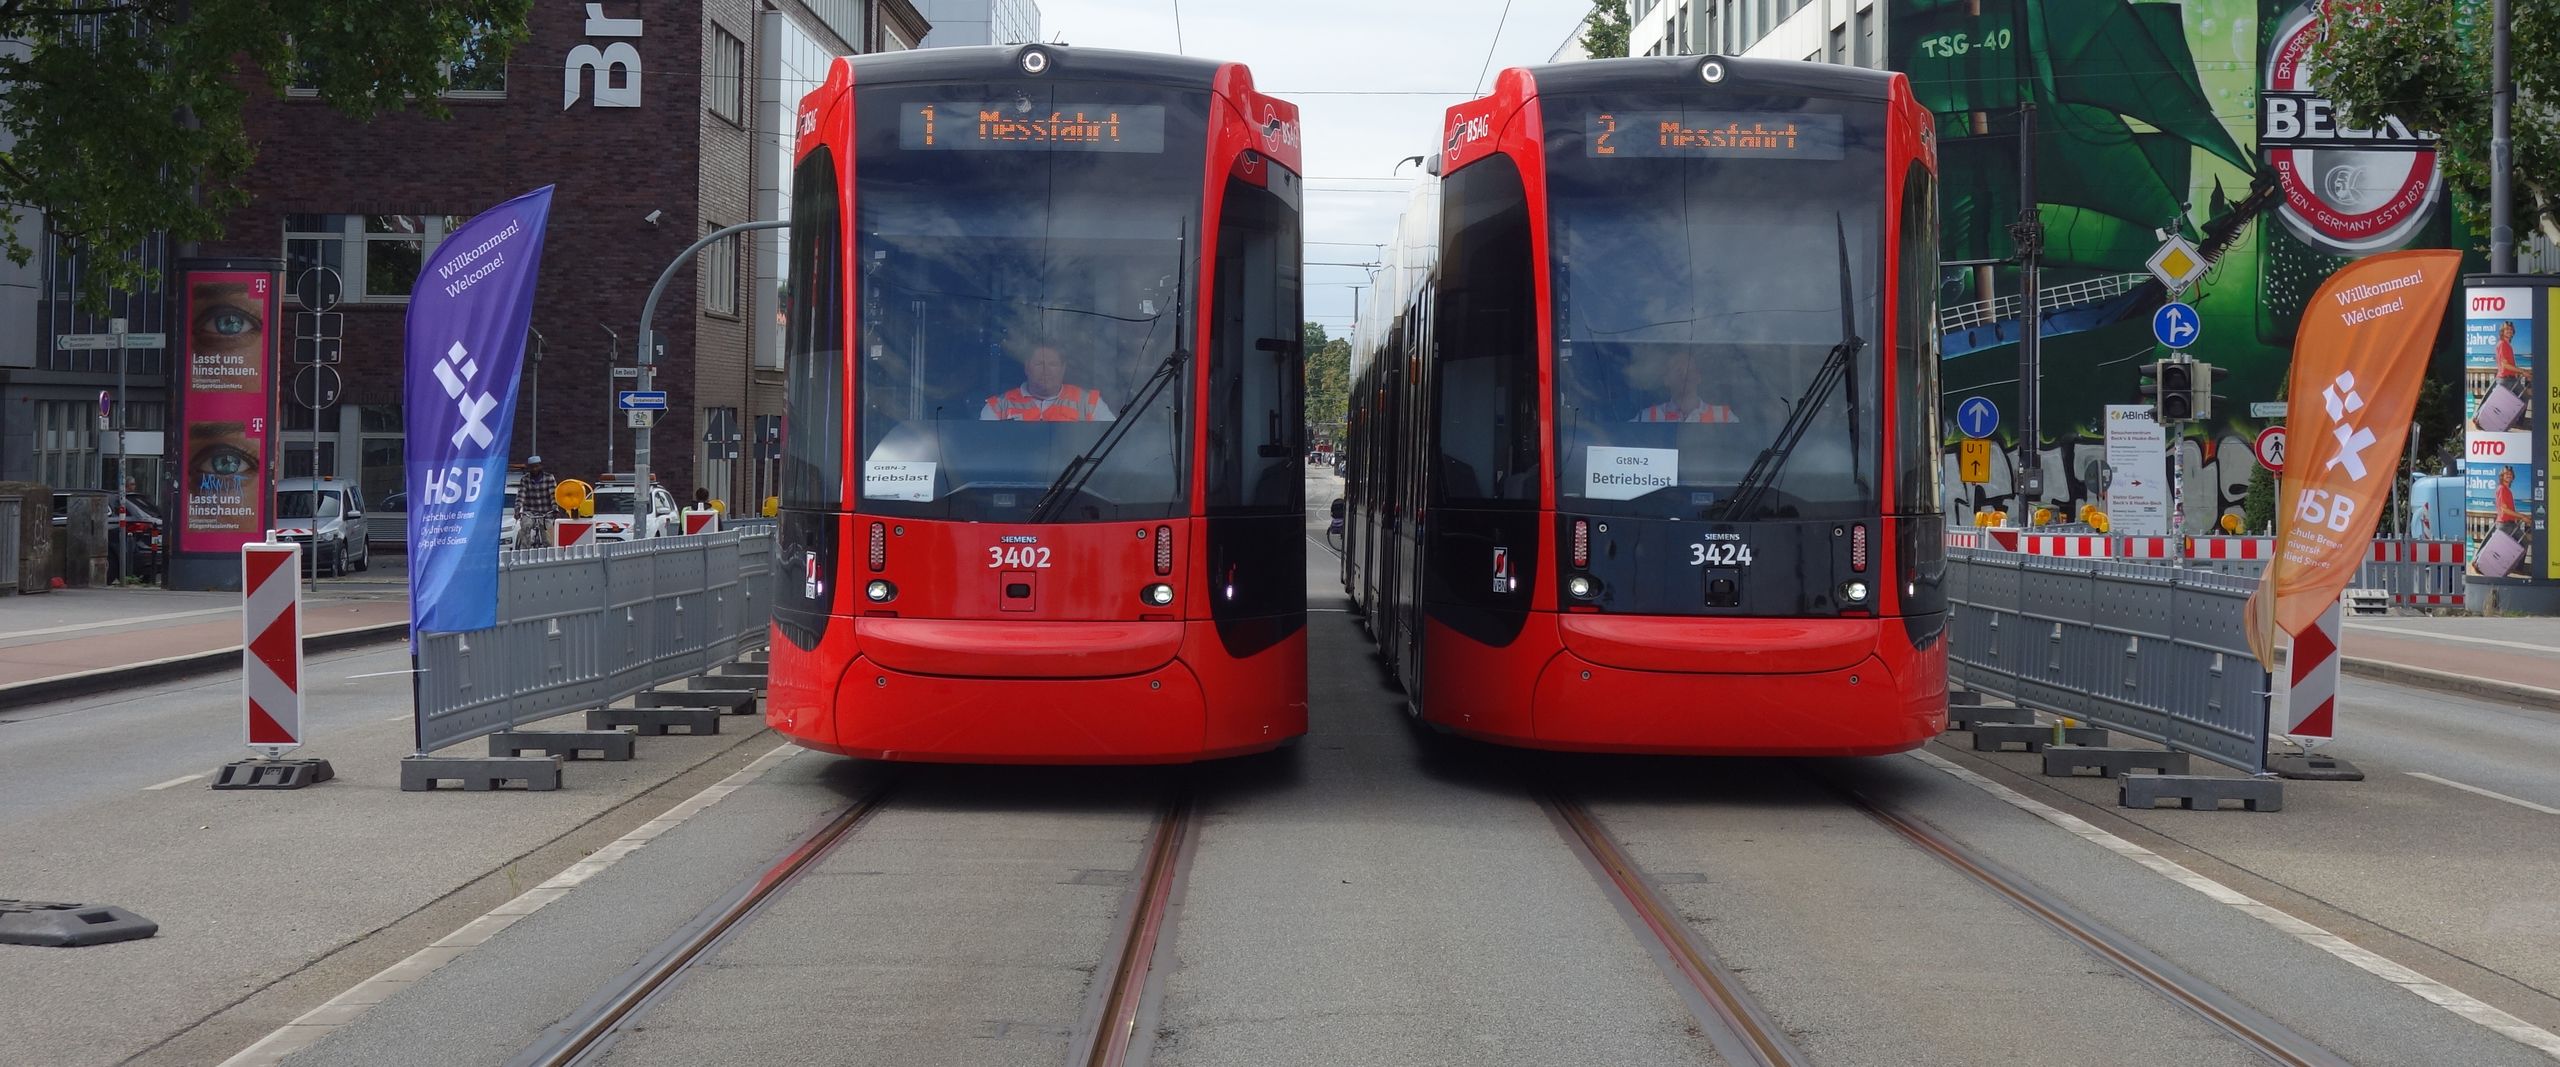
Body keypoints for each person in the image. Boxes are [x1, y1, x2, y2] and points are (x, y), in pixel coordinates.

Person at [981, 342, 1116, 422]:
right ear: (1027, 367)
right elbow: (984, 448)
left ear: (1063, 369)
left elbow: (1111, 443)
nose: (1046, 370)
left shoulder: (1090, 403)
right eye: (1039, 364)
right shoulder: (998, 406)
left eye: (1053, 364)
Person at [1631, 353, 1738, 423]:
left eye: (1690, 370)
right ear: (1666, 380)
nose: (1684, 375)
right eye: (1678, 371)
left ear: (1699, 377)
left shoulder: (1724, 417)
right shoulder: (1646, 417)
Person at [518, 455, 559, 548]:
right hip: (530, 512)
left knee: (548, 539)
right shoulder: (525, 479)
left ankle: (549, 552)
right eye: (532, 467)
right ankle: (525, 551)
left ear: (541, 466)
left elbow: (553, 495)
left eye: (536, 466)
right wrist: (517, 509)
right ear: (529, 468)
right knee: (525, 526)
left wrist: (555, 508)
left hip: (546, 512)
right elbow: (521, 496)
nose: (535, 469)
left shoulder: (549, 478)